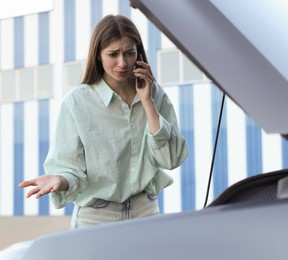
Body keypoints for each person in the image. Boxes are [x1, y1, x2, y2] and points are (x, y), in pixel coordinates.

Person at [18, 14, 189, 229]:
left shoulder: (155, 95)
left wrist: (147, 101)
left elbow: (171, 159)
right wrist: (60, 180)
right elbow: (70, 168)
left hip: (146, 212)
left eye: (129, 53)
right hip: (96, 218)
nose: (122, 63)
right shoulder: (76, 102)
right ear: (98, 55)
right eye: (113, 54)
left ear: (139, 52)